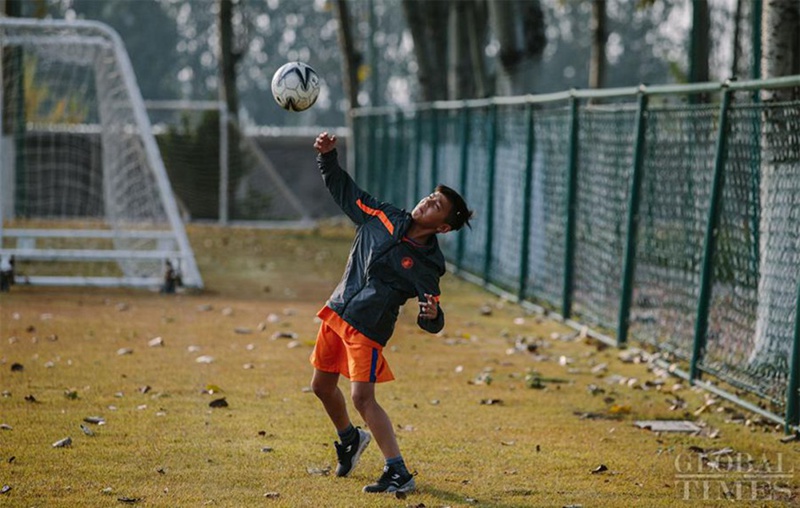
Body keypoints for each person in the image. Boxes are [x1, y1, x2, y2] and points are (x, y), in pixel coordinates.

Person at [310, 131, 472, 494]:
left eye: (436, 206)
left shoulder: (427, 263)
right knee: (321, 387)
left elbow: (433, 314)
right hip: (338, 310)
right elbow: (345, 191)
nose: (427, 203)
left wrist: (430, 316)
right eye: (430, 196)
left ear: (443, 227)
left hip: (368, 328)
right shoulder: (382, 216)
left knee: (362, 397)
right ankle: (350, 439)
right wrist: (327, 157)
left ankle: (398, 471)